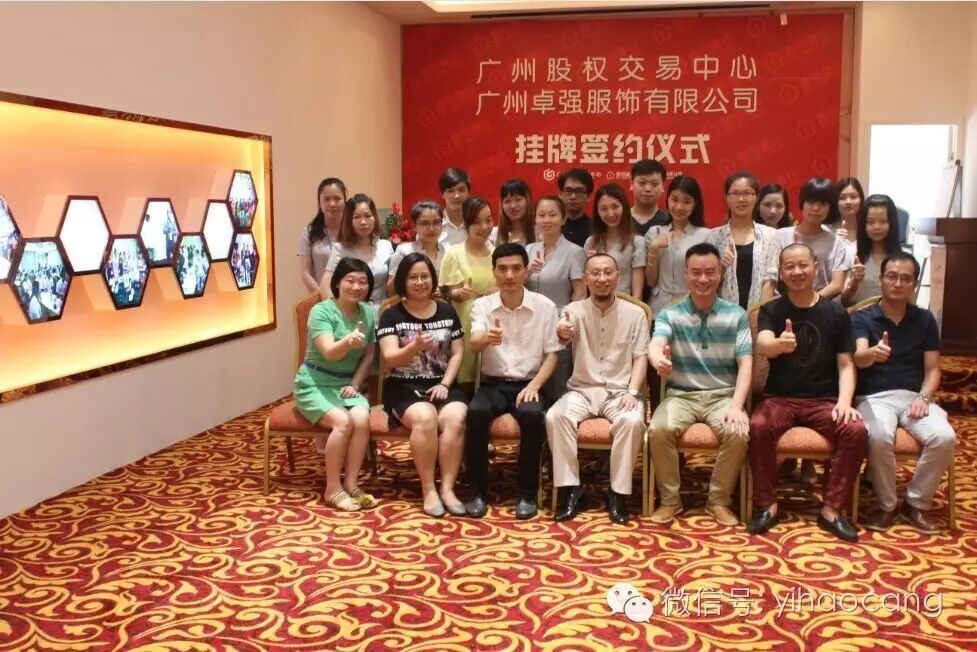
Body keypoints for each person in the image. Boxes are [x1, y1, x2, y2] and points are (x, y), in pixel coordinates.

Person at [747, 243, 868, 542]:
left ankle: (832, 510)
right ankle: (768, 505)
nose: (797, 271)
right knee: (758, 426)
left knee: (855, 430)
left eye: (803, 265)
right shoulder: (772, 309)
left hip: (823, 400)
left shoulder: (836, 313)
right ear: (781, 272)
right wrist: (779, 345)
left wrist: (844, 402)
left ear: (816, 268)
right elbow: (763, 344)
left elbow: (846, 364)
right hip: (780, 398)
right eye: (789, 266)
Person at [647, 243, 752, 526]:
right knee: (658, 429)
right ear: (686, 274)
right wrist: (658, 361)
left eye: (710, 272)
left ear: (720, 274)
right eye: (695, 272)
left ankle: (718, 501)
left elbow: (746, 364)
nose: (703, 279)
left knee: (738, 432)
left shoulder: (737, 315)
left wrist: (737, 406)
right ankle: (670, 501)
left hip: (723, 396)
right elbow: (656, 344)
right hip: (681, 395)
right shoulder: (670, 314)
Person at [854, 252, 955, 532]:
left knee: (945, 437)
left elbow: (933, 370)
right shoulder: (863, 318)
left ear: (914, 284)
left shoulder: (925, 320)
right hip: (874, 398)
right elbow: (858, 357)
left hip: (914, 397)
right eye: (891, 276)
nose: (898, 283)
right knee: (878, 436)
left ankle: (916, 503)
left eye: (905, 279)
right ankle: (886, 505)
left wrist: (923, 397)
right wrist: (872, 353)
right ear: (881, 280)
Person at [546, 253, 649, 524]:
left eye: (607, 272)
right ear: (585, 278)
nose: (602, 278)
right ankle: (571, 489)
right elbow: (562, 335)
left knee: (632, 421)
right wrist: (562, 332)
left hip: (620, 392)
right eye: (595, 273)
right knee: (556, 416)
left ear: (618, 277)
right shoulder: (573, 311)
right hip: (582, 390)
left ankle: (618, 493)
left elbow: (641, 357)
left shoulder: (636, 314)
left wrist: (633, 392)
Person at [465, 243, 561, 519]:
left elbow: (552, 355)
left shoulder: (544, 306)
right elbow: (474, 342)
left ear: (525, 271)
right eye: (503, 269)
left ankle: (527, 494)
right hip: (493, 384)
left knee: (532, 416)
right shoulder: (482, 305)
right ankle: (477, 491)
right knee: (475, 412)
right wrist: (487, 338)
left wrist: (534, 386)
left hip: (529, 383)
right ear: (494, 271)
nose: (509, 275)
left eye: (516, 268)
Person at [377, 253, 469, 517]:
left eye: (424, 276)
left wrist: (446, 384)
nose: (420, 282)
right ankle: (428, 489)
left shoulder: (447, 310)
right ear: (403, 281)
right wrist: (413, 348)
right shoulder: (391, 315)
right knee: (426, 418)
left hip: (442, 384)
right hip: (403, 386)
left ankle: (448, 488)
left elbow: (458, 352)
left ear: (433, 279)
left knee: (456, 417)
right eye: (413, 277)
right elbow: (390, 359)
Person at [292, 257, 377, 511]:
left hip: (345, 385)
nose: (357, 287)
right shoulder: (321, 311)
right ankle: (332, 487)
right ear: (337, 283)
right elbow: (329, 352)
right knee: (343, 422)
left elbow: (369, 355)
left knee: (361, 419)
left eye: (363, 282)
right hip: (314, 383)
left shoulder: (368, 313)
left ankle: (351, 482)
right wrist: (347, 342)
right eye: (350, 280)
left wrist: (356, 384)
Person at [526, 196, 586, 401]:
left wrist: (567, 321)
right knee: (531, 379)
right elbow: (516, 285)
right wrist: (527, 271)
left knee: (557, 383)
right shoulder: (529, 249)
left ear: (563, 218)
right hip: (529, 323)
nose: (547, 220)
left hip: (559, 324)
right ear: (535, 219)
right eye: (541, 215)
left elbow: (580, 293)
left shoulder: (575, 252)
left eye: (552, 215)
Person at [440, 196, 497, 385]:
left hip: (493, 324)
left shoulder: (496, 253)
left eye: (488, 220)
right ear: (466, 223)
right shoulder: (455, 253)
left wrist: (498, 290)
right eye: (477, 222)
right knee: (466, 381)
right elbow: (449, 293)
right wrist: (459, 293)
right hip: (465, 322)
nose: (484, 227)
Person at [707, 171, 780, 310]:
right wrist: (722, 268)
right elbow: (708, 283)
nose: (741, 199)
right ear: (726, 197)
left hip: (760, 313)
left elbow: (770, 281)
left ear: (756, 197)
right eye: (735, 193)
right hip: (722, 315)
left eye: (747, 193)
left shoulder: (770, 235)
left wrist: (757, 315)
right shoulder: (714, 236)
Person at [645, 175, 710, 317]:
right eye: (674, 199)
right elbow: (650, 281)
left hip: (692, 311)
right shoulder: (654, 232)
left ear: (695, 204)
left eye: (687, 201)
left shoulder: (705, 236)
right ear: (667, 199)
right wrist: (654, 249)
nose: (679, 207)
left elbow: (707, 280)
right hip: (659, 310)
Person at [776, 178, 850, 300]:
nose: (816, 208)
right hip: (785, 305)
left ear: (830, 207)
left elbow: (837, 285)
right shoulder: (780, 236)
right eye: (811, 202)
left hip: (822, 306)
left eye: (823, 204)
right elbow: (773, 278)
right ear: (802, 204)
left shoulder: (836, 243)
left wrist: (809, 303)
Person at [321, 193, 394, 309]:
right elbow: (325, 285)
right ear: (349, 220)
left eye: (368, 216)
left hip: (383, 309)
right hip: (351, 310)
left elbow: (394, 284)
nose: (363, 222)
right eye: (357, 217)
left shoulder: (386, 246)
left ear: (374, 217)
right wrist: (336, 312)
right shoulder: (340, 249)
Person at [585, 184, 646, 300]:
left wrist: (635, 307)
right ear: (597, 212)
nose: (610, 213)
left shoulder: (637, 242)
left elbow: (637, 294)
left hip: (625, 303)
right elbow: (587, 283)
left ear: (624, 207)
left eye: (615, 206)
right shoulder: (591, 242)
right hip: (597, 304)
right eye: (604, 209)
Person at [841, 194, 903, 307]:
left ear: (892, 223)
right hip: (859, 315)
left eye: (883, 221)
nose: (876, 227)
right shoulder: (852, 254)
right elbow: (844, 300)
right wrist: (854, 283)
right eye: (870, 222)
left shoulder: (904, 260)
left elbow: (909, 301)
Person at [386, 200, 446, 298]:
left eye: (436, 222)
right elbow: (390, 291)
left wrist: (442, 291)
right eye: (424, 223)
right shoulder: (404, 251)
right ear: (414, 226)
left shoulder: (446, 250)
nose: (431, 228)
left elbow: (449, 286)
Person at [299, 177, 346, 295]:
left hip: (350, 298)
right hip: (320, 298)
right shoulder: (309, 232)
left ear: (345, 201)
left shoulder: (353, 230)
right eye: (327, 199)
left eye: (337, 198)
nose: (332, 204)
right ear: (319, 203)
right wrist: (325, 298)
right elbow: (305, 273)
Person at [630, 159, 670, 236]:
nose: (647, 189)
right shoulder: (620, 219)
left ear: (662, 187)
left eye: (654, 184)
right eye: (642, 183)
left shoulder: (670, 221)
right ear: (631, 184)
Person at [558, 168, 595, 248]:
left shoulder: (596, 229)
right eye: (568, 191)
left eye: (579, 191)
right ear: (560, 194)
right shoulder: (552, 226)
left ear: (588, 196)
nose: (573, 196)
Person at [491, 179, 534, 246]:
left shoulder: (539, 233)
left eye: (518, 200)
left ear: (528, 201)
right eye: (507, 201)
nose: (513, 206)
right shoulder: (493, 234)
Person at [830, 176, 865, 256]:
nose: (848, 202)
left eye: (853, 197)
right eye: (842, 198)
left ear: (861, 199)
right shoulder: (826, 230)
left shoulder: (868, 229)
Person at [438, 167, 471, 247]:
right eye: (450, 191)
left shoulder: (476, 223)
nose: (456, 196)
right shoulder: (434, 225)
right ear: (442, 194)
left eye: (461, 190)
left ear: (469, 192)